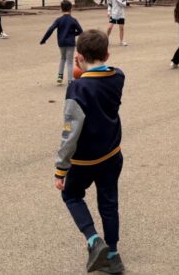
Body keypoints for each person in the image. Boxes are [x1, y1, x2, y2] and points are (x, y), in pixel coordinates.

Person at [54, 30, 125, 274]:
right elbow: (105, 71)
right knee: (108, 201)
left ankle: (94, 240)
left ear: (79, 57)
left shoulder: (77, 88)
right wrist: (86, 68)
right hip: (111, 154)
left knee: (71, 195)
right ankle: (113, 255)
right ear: (107, 54)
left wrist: (60, 168)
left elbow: (70, 133)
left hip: (84, 159)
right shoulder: (118, 77)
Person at [41, 0, 84, 84]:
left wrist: (44, 39)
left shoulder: (58, 20)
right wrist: (73, 34)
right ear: (71, 8)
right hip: (70, 43)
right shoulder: (73, 20)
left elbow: (51, 29)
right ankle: (70, 80)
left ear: (61, 9)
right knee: (70, 61)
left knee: (62, 58)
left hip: (61, 42)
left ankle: (60, 76)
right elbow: (80, 31)